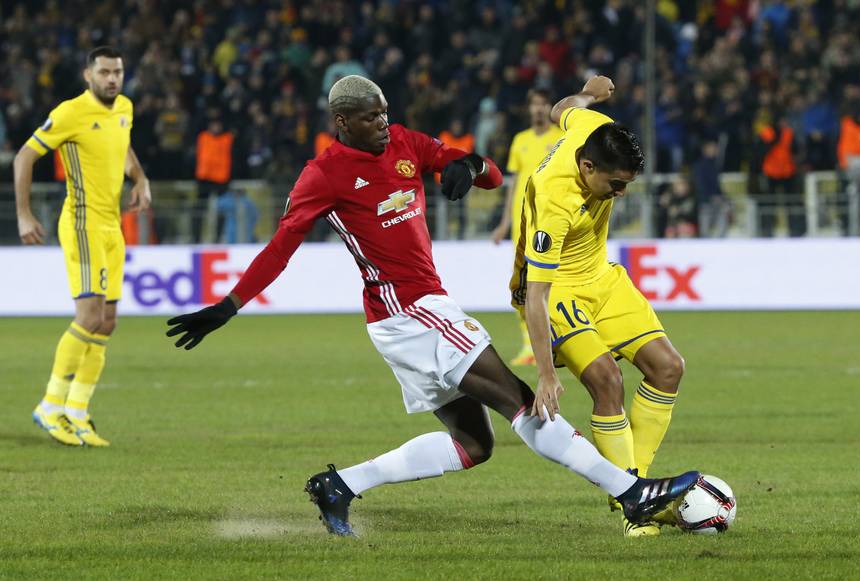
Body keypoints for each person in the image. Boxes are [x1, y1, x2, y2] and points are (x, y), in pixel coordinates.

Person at [165, 75, 698, 536]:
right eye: (370, 118)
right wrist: (229, 305)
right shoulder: (323, 175)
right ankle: (632, 493)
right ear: (342, 122)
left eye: (384, 113)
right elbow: (281, 247)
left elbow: (491, 175)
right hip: (410, 312)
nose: (383, 124)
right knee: (523, 402)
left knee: (473, 444)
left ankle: (340, 484)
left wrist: (469, 165)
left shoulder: (404, 142)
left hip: (411, 315)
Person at [509, 76, 691, 537]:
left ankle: (631, 487)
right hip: (559, 292)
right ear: (587, 166)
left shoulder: (592, 126)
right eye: (615, 183)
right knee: (607, 381)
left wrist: (588, 94)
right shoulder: (556, 200)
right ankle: (636, 504)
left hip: (603, 279)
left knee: (669, 368)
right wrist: (545, 374)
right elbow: (537, 294)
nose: (621, 193)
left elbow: (562, 109)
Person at [14, 46, 151, 447]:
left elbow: (123, 146)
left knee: (107, 322)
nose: (112, 79)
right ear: (88, 75)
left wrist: (140, 178)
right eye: (104, 72)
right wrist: (24, 214)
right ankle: (50, 405)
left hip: (111, 225)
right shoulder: (70, 113)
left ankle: (76, 411)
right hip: (82, 223)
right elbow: (24, 157)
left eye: (117, 72)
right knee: (89, 316)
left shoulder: (124, 107)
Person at [490, 88, 563, 366]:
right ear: (529, 108)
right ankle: (528, 346)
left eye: (544, 104)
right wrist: (504, 223)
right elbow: (513, 184)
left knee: (553, 284)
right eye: (535, 104)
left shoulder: (561, 137)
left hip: (550, 219)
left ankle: (559, 342)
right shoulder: (520, 140)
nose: (539, 109)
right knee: (522, 284)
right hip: (522, 223)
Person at [194, 118, 234, 243]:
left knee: (221, 210)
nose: (216, 128)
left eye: (218, 125)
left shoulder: (227, 138)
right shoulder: (203, 137)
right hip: (204, 178)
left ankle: (218, 238)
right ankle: (196, 237)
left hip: (221, 179)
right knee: (200, 209)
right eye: (213, 125)